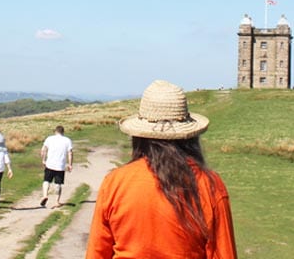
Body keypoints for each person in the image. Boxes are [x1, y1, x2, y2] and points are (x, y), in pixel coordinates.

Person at [86, 79, 237, 259]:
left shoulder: (115, 182)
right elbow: (224, 254)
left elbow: (97, 253)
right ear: (189, 137)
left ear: (139, 136)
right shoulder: (209, 185)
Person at [40, 124, 73, 207]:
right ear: (63, 132)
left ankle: (45, 195)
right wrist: (70, 164)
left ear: (55, 131)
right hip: (60, 165)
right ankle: (56, 201)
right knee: (58, 183)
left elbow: (43, 150)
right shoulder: (67, 140)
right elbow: (70, 153)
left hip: (50, 164)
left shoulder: (49, 138)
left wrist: (43, 160)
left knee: (46, 181)